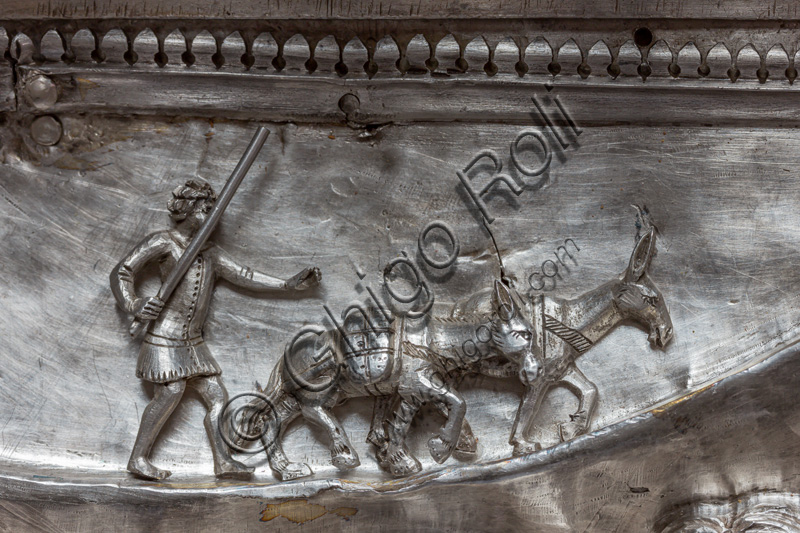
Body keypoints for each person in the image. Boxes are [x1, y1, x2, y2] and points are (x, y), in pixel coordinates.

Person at [110, 179, 320, 480]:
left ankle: (224, 462)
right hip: (165, 336)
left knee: (216, 395)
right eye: (206, 209)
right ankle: (138, 459)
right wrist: (133, 303)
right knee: (170, 392)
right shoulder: (164, 242)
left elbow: (245, 275)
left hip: (192, 341)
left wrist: (287, 284)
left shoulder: (210, 253)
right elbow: (123, 271)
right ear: (189, 208)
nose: (212, 215)